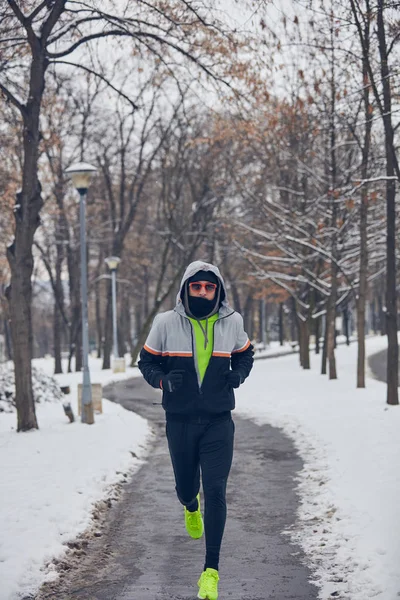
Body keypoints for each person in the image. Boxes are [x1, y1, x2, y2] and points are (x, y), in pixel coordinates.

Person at [138, 260, 254, 600]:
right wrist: (161, 380)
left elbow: (246, 354)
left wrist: (239, 374)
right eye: (197, 286)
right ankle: (190, 506)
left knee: (215, 490)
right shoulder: (165, 322)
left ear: (218, 290)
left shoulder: (232, 322)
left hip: (219, 421)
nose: (203, 292)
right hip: (181, 421)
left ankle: (210, 572)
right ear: (186, 288)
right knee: (188, 488)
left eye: (209, 287)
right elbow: (145, 361)